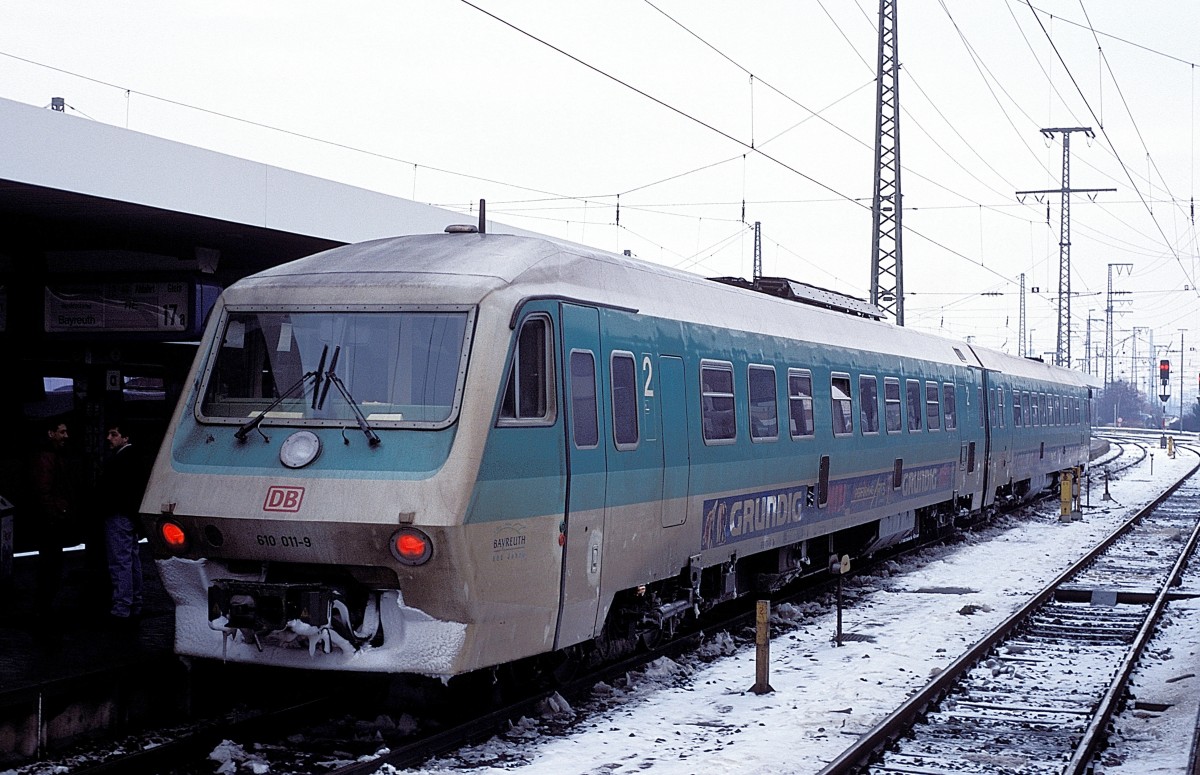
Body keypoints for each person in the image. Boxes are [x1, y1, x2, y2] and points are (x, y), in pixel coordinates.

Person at [97, 423, 148, 631]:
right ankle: (135, 603)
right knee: (132, 560)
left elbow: (110, 491)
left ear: (125, 437)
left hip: (118, 515)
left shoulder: (120, 460)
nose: (109, 438)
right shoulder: (134, 458)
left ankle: (122, 608)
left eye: (114, 434)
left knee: (120, 563)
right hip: (130, 516)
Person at [30, 418, 73, 619]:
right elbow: (44, 490)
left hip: (50, 519)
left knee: (50, 564)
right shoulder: (48, 457)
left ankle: (44, 606)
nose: (66, 436)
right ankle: (44, 607)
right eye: (62, 432)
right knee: (51, 564)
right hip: (51, 521)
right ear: (51, 433)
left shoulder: (48, 456)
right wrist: (58, 512)